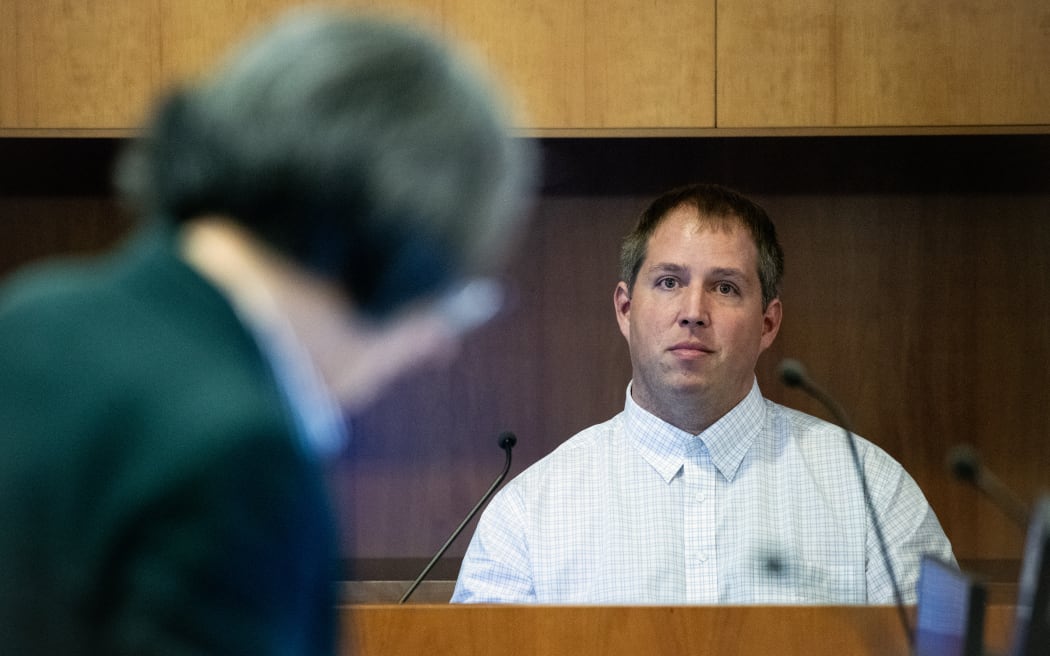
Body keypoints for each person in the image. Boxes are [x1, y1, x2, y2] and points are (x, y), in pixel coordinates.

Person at [0, 8, 534, 655]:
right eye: (450, 300)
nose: (439, 346)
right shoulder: (241, 458)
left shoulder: (28, 317)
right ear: (392, 245)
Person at [452, 183, 953, 605]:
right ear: (626, 310)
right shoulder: (528, 515)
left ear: (768, 322)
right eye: (669, 281)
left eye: (726, 288)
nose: (693, 311)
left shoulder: (873, 495)